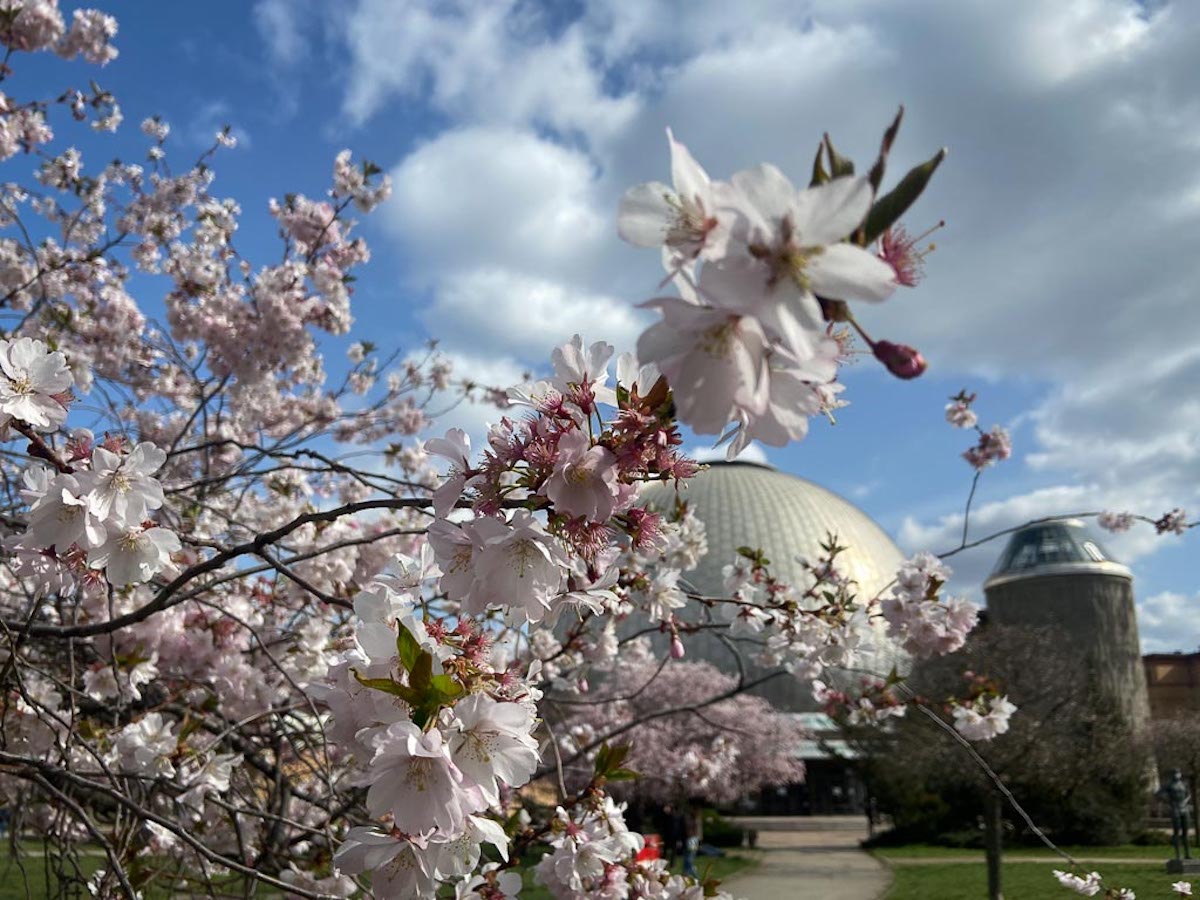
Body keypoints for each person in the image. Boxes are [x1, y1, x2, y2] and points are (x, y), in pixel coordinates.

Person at [682, 806, 702, 879]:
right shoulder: (691, 820)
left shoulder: (694, 820)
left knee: (689, 859)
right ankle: (686, 874)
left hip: (692, 840)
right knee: (688, 859)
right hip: (692, 839)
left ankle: (691, 875)